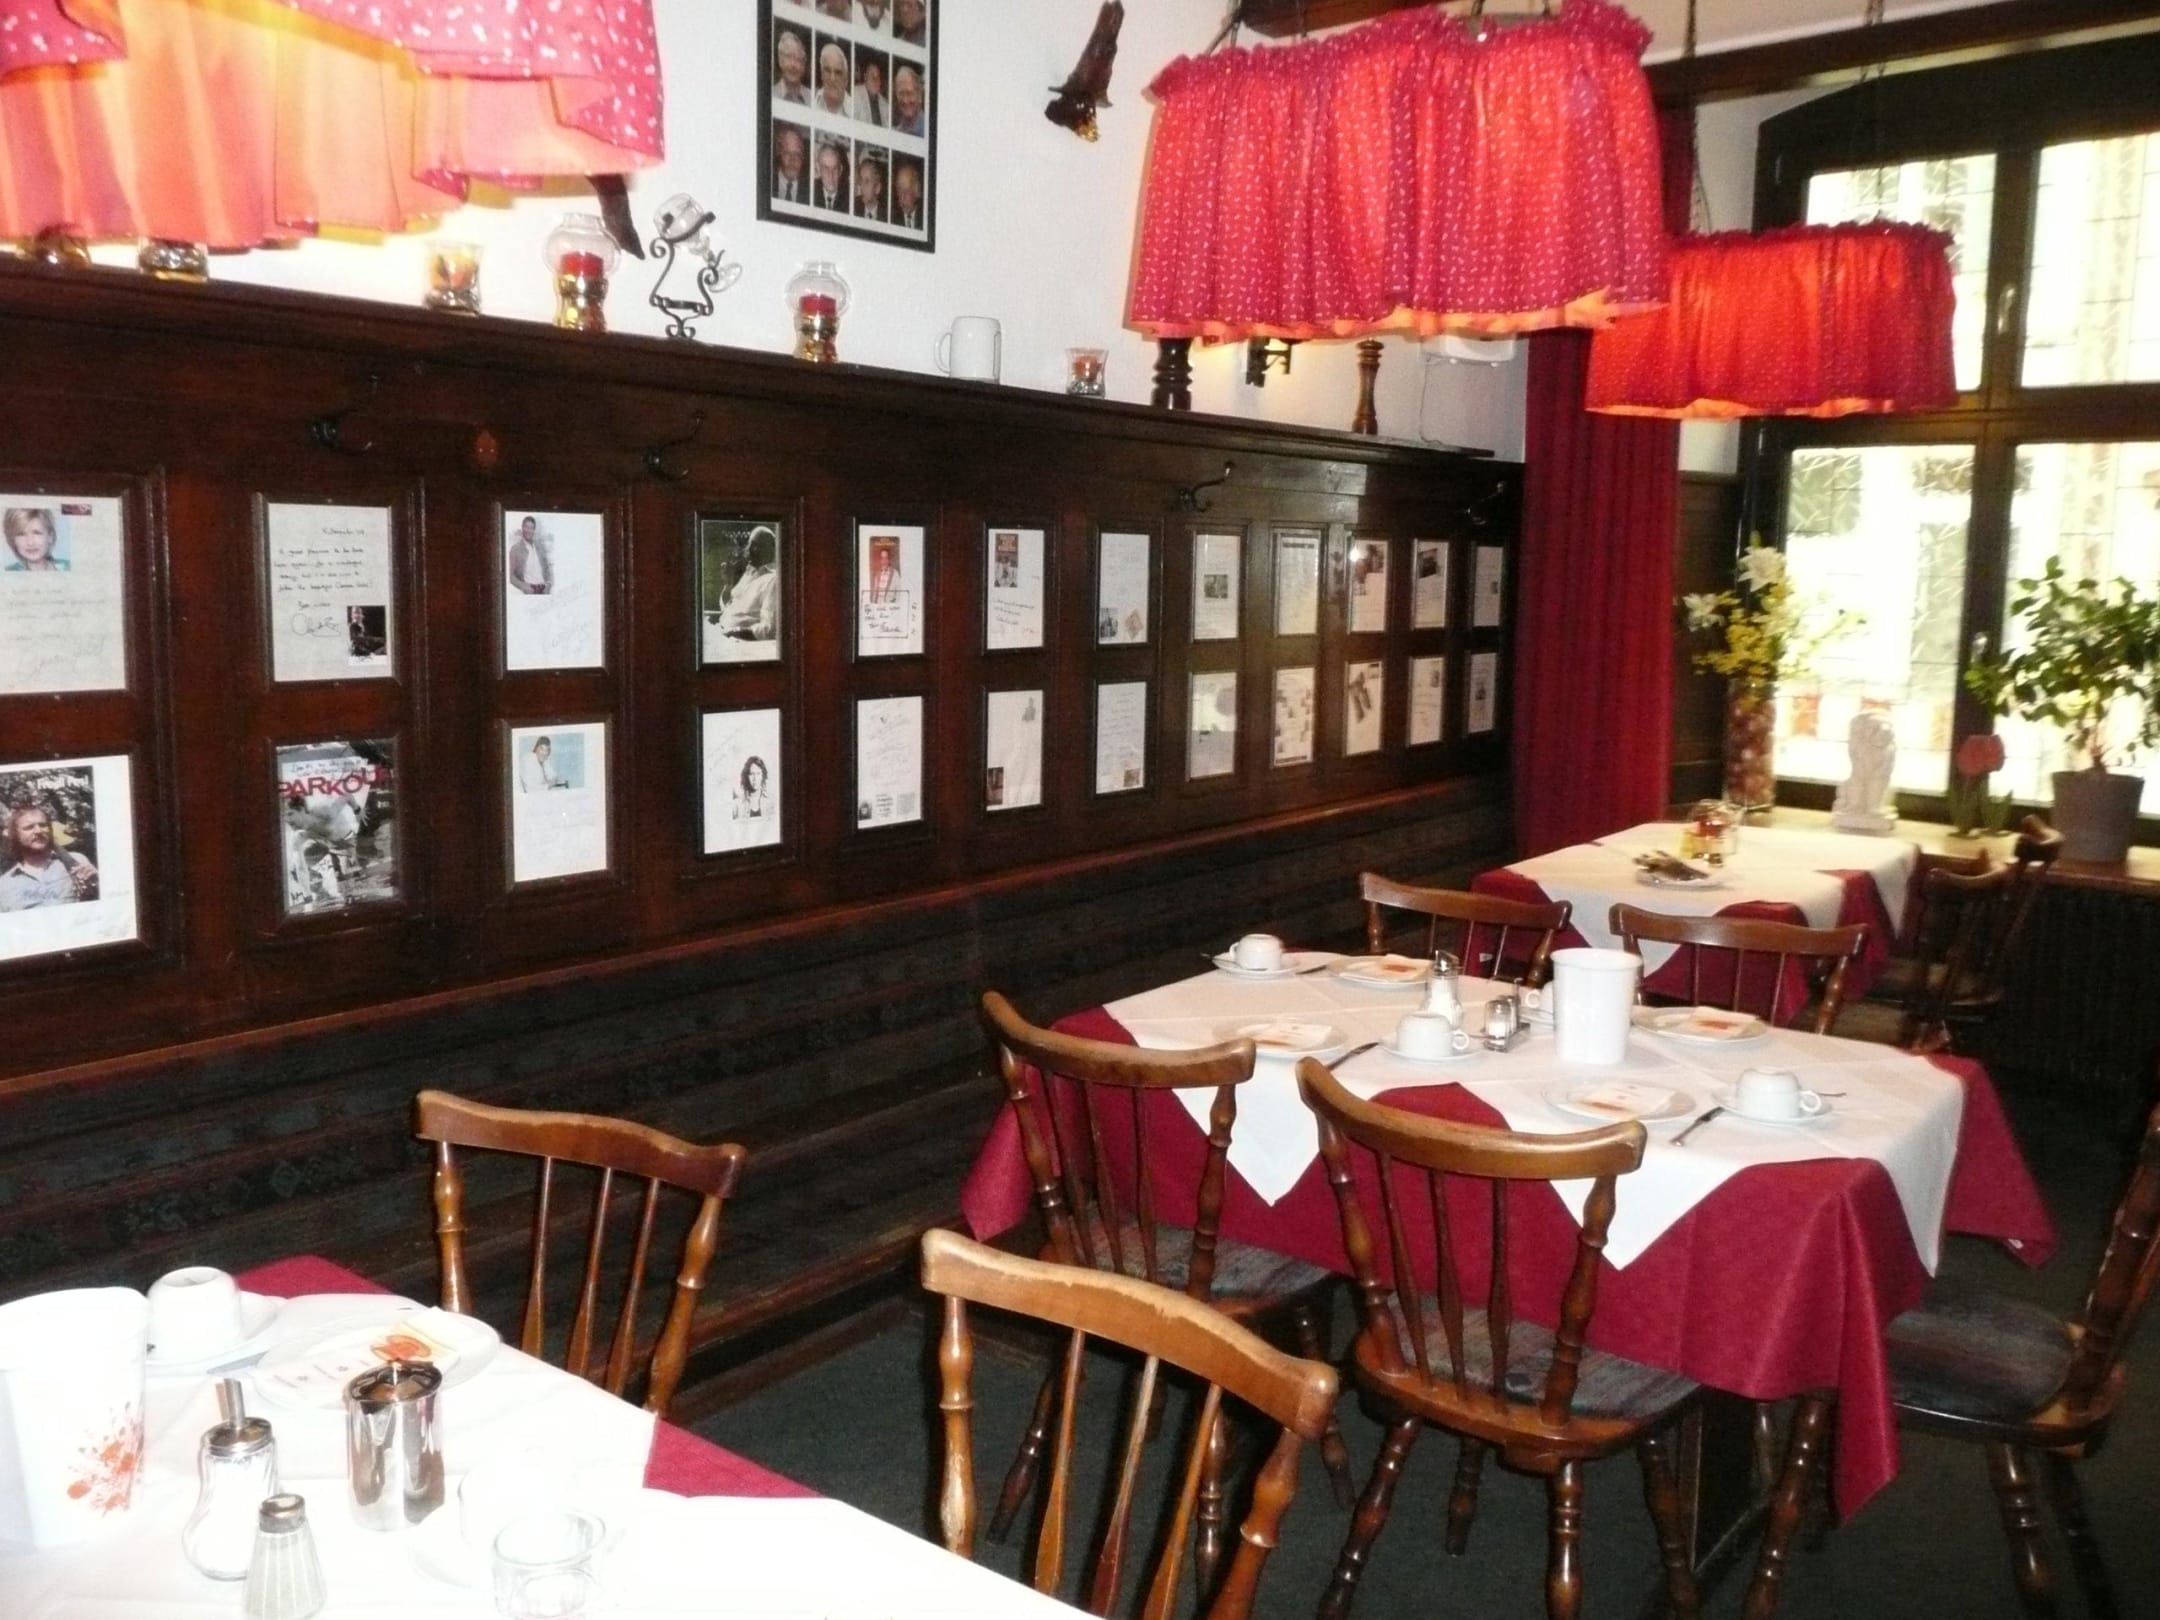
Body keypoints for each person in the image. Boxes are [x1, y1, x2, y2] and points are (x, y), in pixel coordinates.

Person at [0, 803, 98, 910]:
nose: (38, 831)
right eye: (29, 827)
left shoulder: (76, 862)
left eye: (43, 825)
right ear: (16, 835)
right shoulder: (4, 885)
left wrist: (96, 884)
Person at [716, 527, 779, 643]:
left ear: (770, 549)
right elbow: (729, 610)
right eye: (749, 544)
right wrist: (727, 583)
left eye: (755, 545)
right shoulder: (750, 572)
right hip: (723, 634)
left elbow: (768, 629)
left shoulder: (774, 580)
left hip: (740, 644)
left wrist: (733, 632)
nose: (749, 549)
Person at [2, 507, 66, 571]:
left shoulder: (67, 567)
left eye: (37, 533)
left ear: (50, 536)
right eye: (21, 534)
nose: (30, 543)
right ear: (13, 540)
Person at [505, 515, 554, 595]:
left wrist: (549, 584)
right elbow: (510, 576)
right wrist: (523, 586)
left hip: (544, 590)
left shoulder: (540, 547)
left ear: (534, 530)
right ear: (522, 528)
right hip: (529, 590)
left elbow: (547, 568)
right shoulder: (515, 549)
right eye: (526, 527)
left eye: (531, 528)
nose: (529, 530)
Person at [771, 26, 811, 104]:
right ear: (780, 60)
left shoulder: (813, 99)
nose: (793, 65)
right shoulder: (771, 94)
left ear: (803, 65)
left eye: (798, 59)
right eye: (788, 57)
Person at [849, 54, 888, 126]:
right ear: (865, 77)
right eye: (872, 76)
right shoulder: (855, 94)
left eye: (878, 77)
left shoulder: (886, 105)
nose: (875, 80)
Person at [814, 41, 851, 117]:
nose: (832, 78)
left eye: (838, 73)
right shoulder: (810, 101)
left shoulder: (855, 110)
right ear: (822, 75)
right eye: (827, 71)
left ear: (846, 80)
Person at [891, 62, 925, 136]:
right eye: (901, 94)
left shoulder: (928, 130)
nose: (905, 100)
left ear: (919, 95)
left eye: (909, 93)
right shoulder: (895, 132)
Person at [734, 756, 772, 820]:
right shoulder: (737, 805)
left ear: (763, 776)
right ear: (746, 776)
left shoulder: (770, 802)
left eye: (758, 774)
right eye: (751, 774)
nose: (755, 778)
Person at [814, 142, 849, 211]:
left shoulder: (849, 197)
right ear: (818, 168)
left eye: (835, 168)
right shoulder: (810, 191)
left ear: (840, 170)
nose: (831, 175)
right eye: (826, 168)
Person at [854, 151, 887, 222]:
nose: (862, 186)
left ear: (877, 188)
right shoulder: (853, 206)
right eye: (861, 180)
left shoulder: (887, 215)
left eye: (867, 181)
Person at [891, 159, 923, 229]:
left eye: (906, 190)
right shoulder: (892, 219)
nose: (902, 196)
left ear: (917, 191)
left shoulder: (925, 217)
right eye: (899, 189)